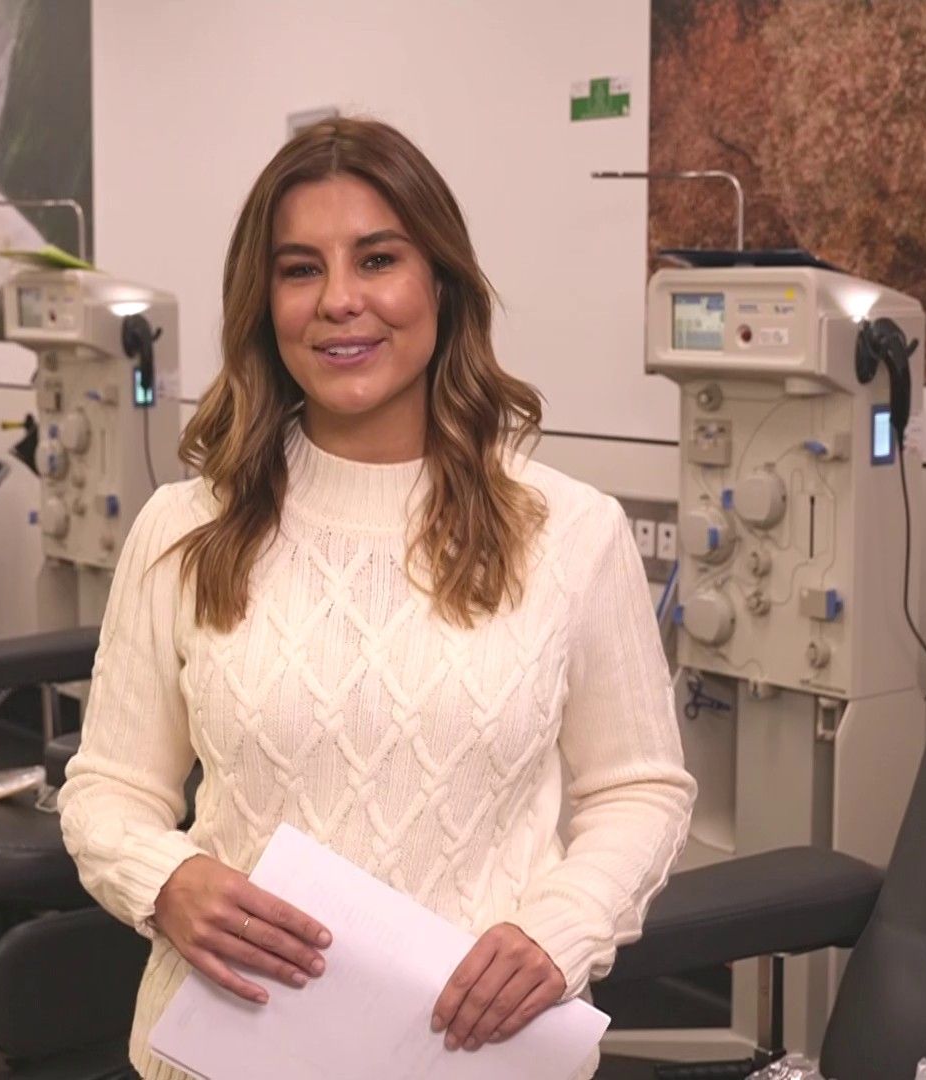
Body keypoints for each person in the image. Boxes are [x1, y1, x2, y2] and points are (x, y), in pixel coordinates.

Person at [58, 118, 696, 1080]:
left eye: (378, 259)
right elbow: (108, 788)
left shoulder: (571, 531)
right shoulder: (184, 529)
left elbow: (639, 787)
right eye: (300, 269)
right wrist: (166, 879)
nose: (339, 301)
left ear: (441, 283)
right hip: (226, 1054)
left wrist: (562, 927)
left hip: (475, 1058)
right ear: (264, 302)